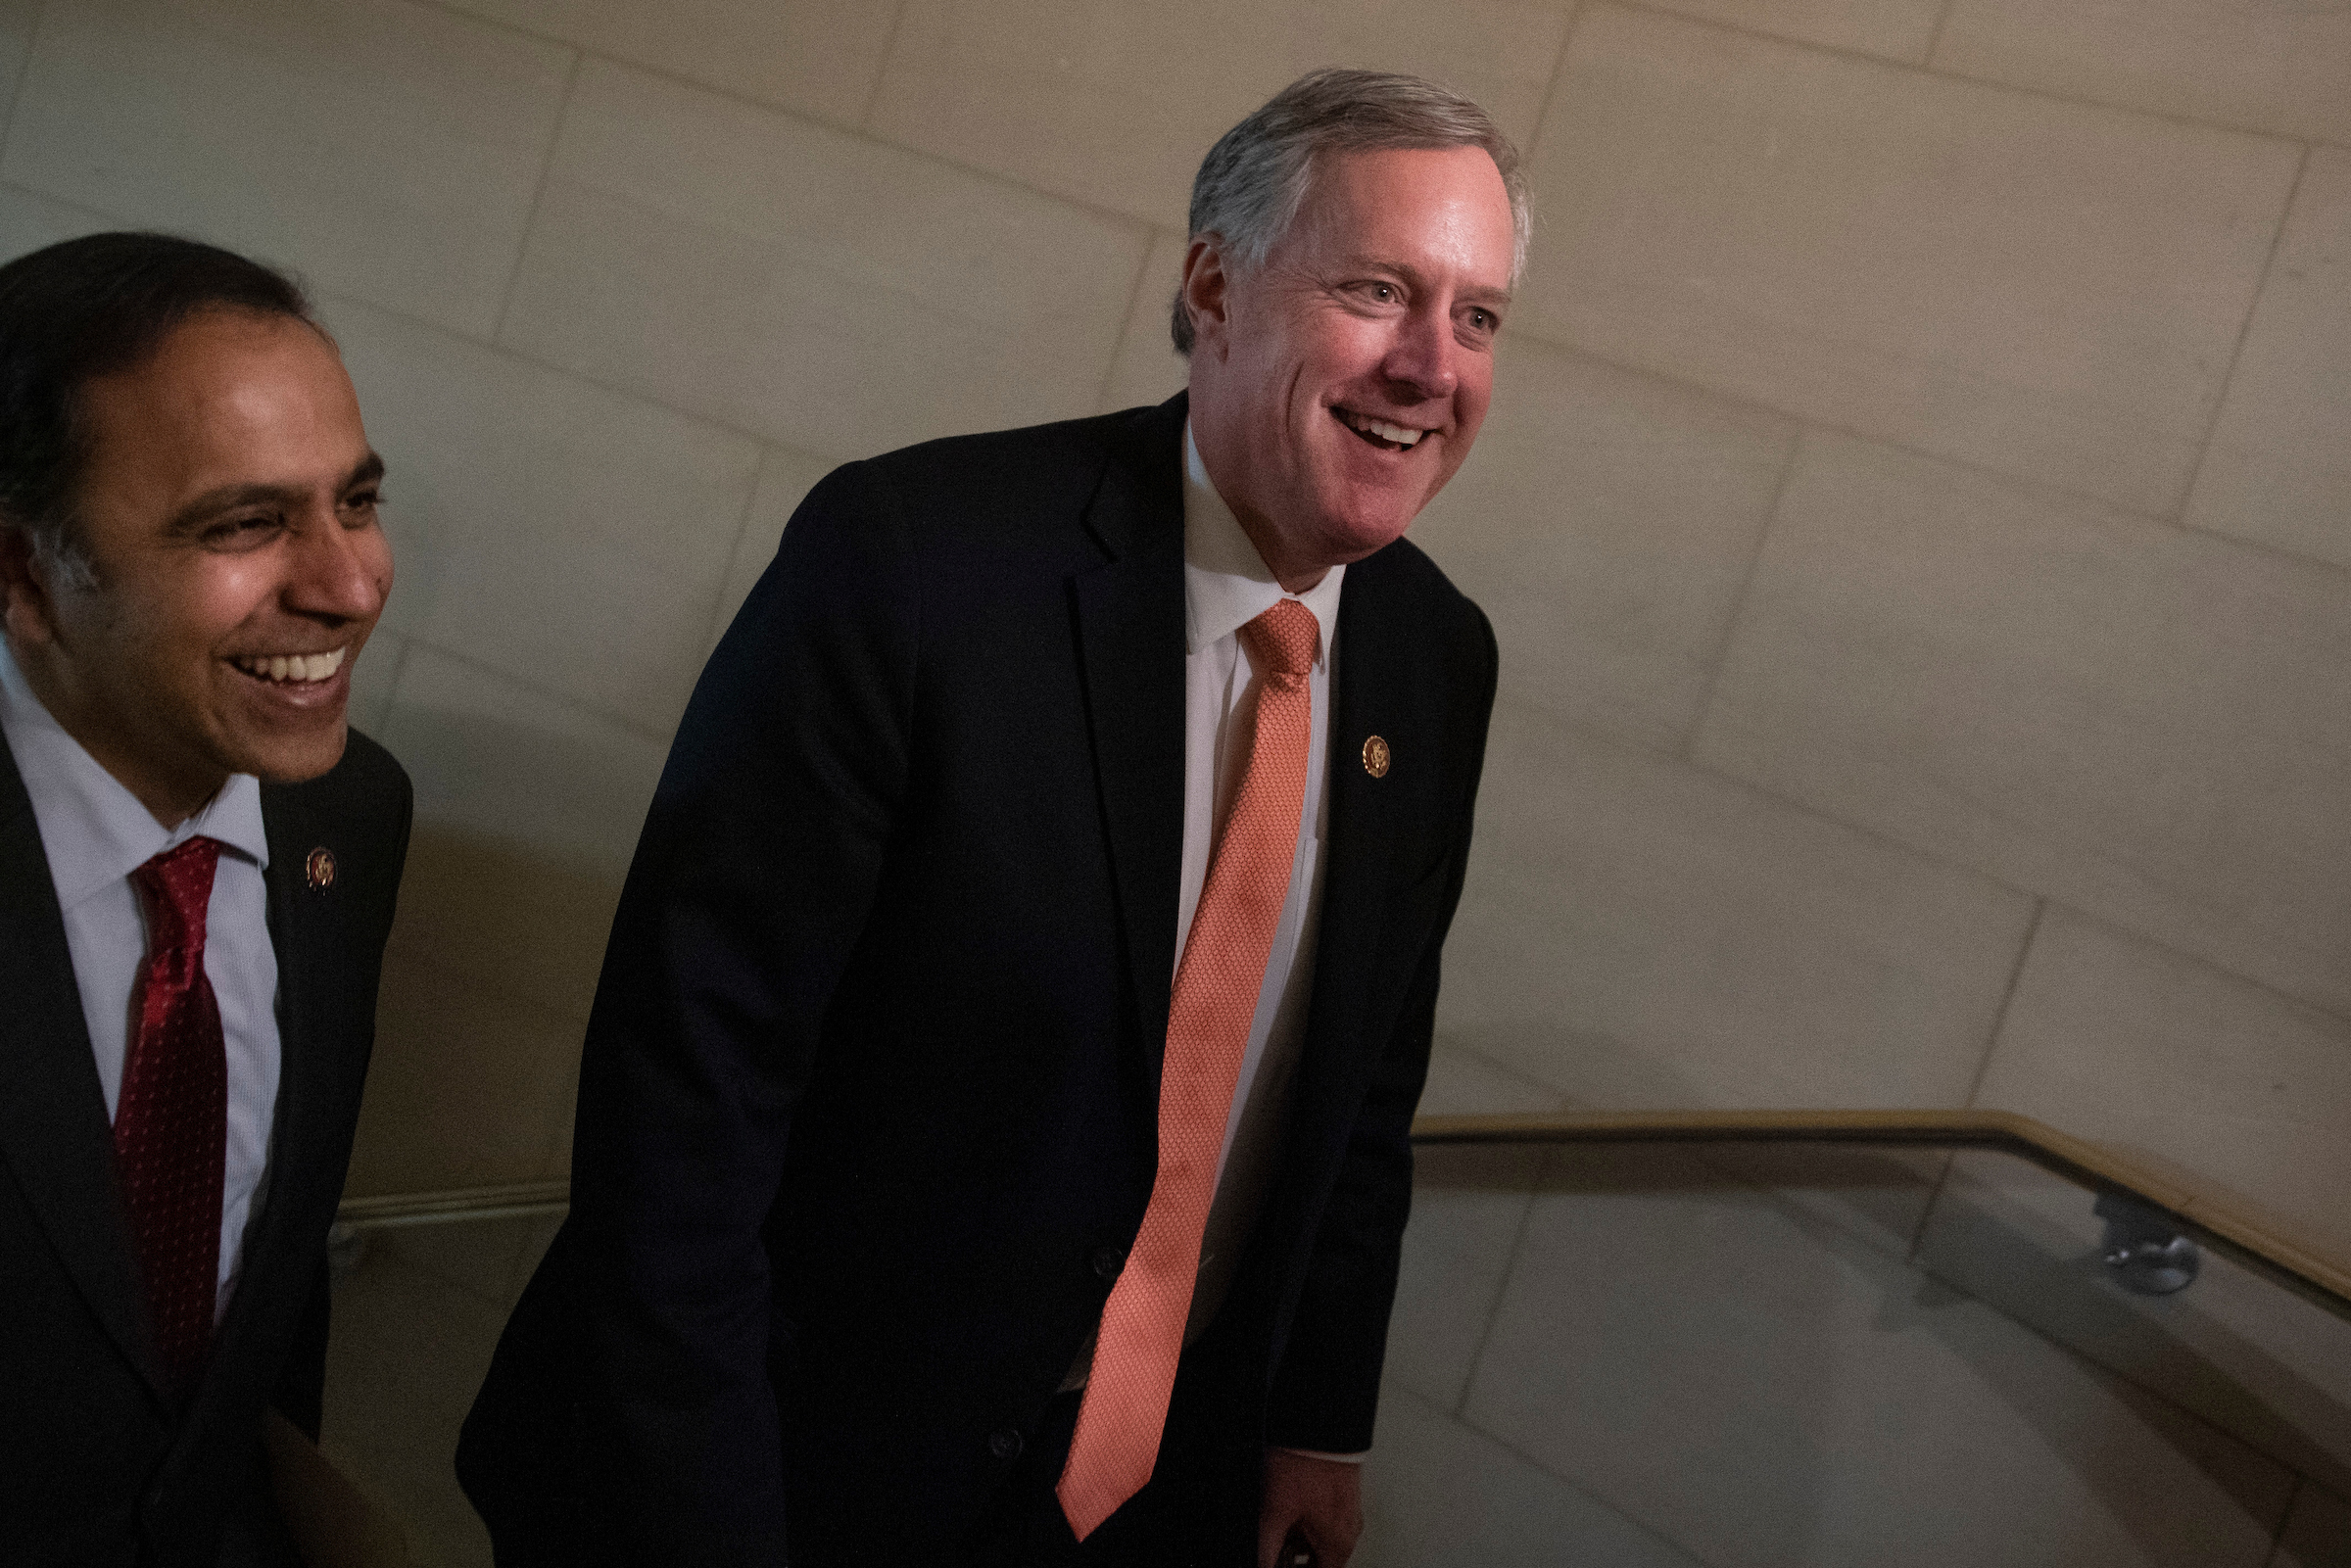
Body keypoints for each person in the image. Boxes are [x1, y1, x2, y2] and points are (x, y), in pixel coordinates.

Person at [458, 68, 1519, 1567]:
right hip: (779, 1462)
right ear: (1215, 282)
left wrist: (1315, 1419)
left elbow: (1365, 1089)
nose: (1431, 363)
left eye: (1477, 316)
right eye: (1380, 290)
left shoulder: (1434, 653)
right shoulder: (913, 565)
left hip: (1147, 1491)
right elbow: (685, 1100)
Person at [0, 233, 410, 1566]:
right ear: (23, 574)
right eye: (242, 523)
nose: (349, 586)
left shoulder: (349, 816)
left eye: (356, 499)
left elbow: (271, 1283)